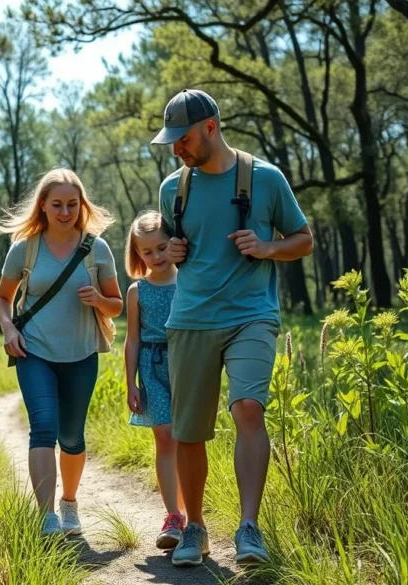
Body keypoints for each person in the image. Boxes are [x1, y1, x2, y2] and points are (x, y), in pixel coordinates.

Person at [149, 89, 313, 567]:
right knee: (189, 430)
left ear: (211, 128)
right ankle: (194, 529)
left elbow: (302, 240)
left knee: (247, 408)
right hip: (191, 318)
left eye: (182, 139)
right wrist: (174, 251)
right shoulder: (172, 188)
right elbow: (177, 246)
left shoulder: (265, 178)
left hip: (251, 315)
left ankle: (248, 528)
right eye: (172, 142)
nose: (176, 148)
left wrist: (266, 247)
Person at [0, 167, 124, 536]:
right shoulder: (26, 248)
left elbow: (116, 306)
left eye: (72, 204)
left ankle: (69, 503)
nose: (65, 212)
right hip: (34, 352)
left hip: (81, 355)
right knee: (43, 428)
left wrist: (99, 299)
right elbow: (3, 299)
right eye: (57, 205)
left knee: (72, 437)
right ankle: (46, 515)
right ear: (43, 206)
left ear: (81, 205)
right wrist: (8, 329)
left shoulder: (95, 248)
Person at [122, 209, 186, 550]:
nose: (156, 256)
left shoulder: (188, 281)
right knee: (164, 435)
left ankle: (192, 514)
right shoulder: (137, 291)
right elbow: (131, 339)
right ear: (137, 253)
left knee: (188, 436)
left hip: (186, 364)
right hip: (151, 365)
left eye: (162, 247)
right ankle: (173, 515)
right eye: (147, 251)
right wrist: (131, 383)